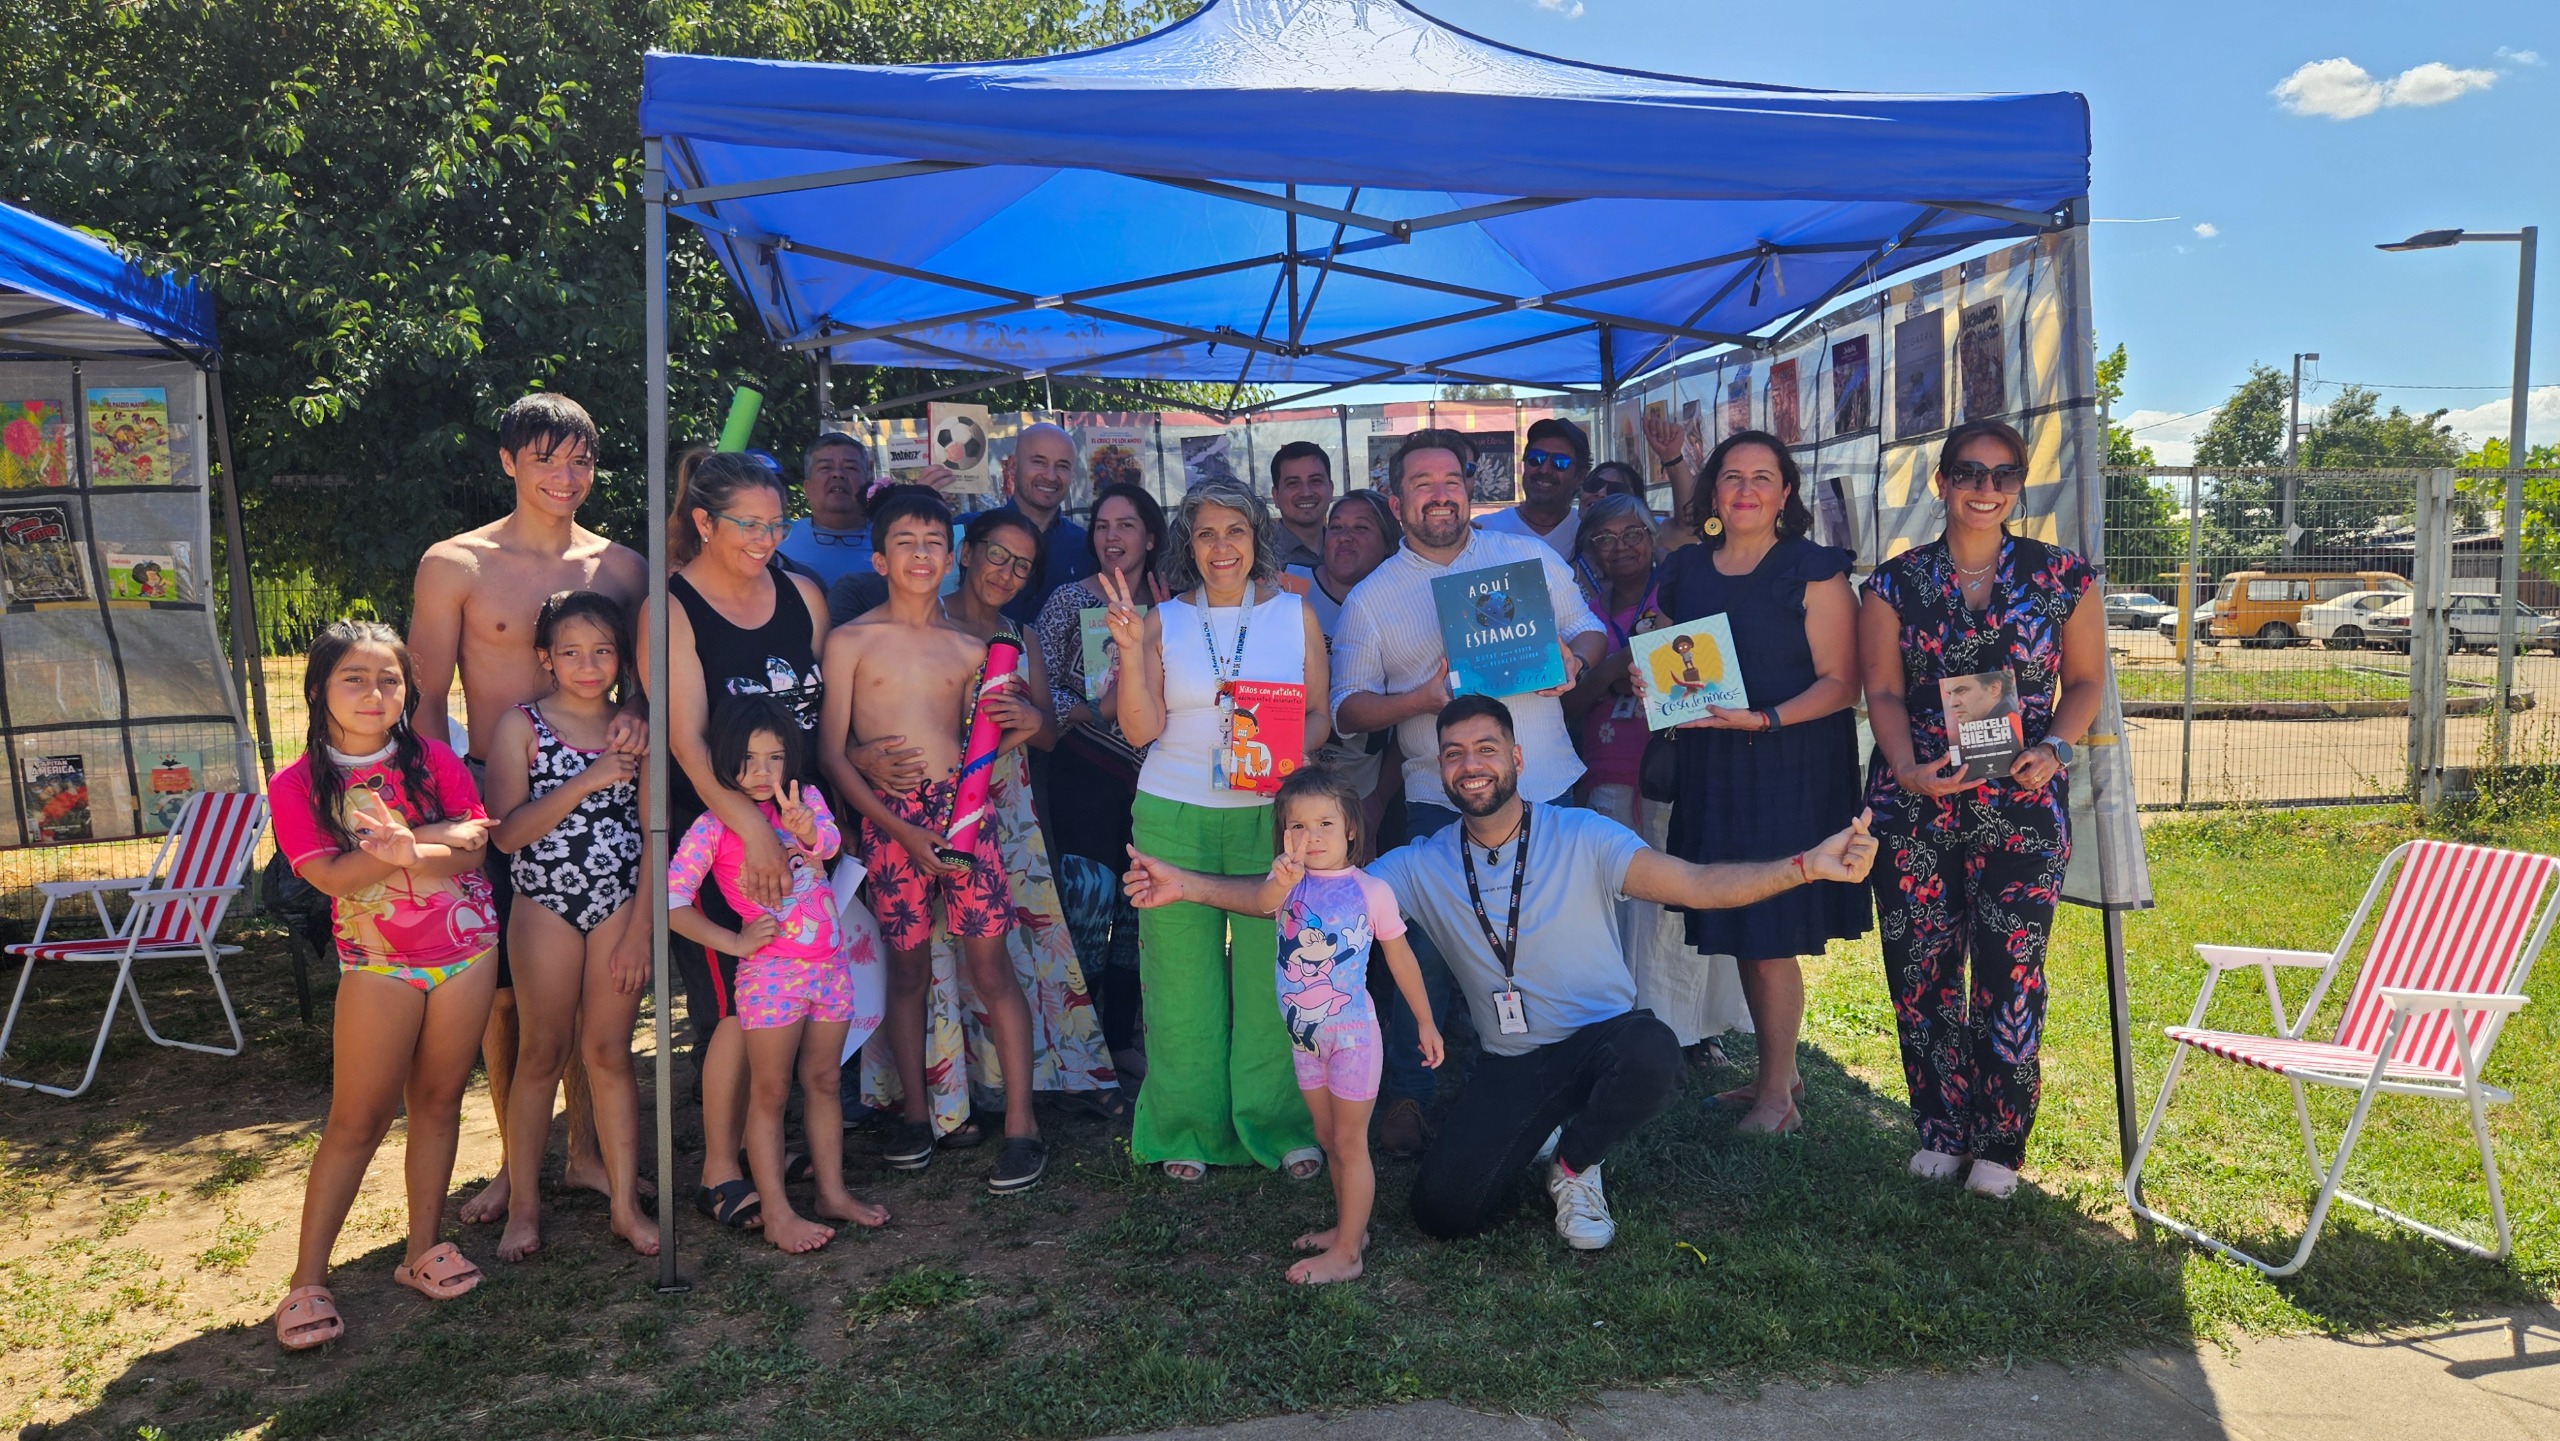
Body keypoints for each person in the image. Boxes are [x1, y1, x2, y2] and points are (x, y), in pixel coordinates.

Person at [1127, 697, 1878, 1249]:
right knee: (1442, 1212)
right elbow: (1309, 894)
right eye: (1452, 753)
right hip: (1514, 1062)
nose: (1469, 763)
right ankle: (1546, 1131)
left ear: (1518, 759)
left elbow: (1697, 883)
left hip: (1602, 1040)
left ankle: (1577, 1161)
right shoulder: (1420, 864)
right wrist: (1185, 884)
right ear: (1439, 770)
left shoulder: (1583, 833)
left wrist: (1806, 866)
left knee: (1651, 1054)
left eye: (1485, 747)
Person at [1332, 428, 1606, 1157]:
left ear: (1470, 489)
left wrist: (1573, 665)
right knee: (1423, 949)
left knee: (1550, 944)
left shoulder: (1526, 558)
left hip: (1542, 780)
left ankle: (1551, 1092)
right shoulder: (1372, 598)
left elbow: (1590, 632)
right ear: (1398, 501)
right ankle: (1411, 1099)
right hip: (1436, 795)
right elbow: (1348, 708)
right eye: (1421, 483)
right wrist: (1418, 697)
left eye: (1451, 479)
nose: (1440, 494)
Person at [410, 392, 647, 1231]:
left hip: (600, 805)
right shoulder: (457, 564)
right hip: (491, 797)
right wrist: (448, 815)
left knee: (590, 998)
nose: (564, 476)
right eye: (546, 458)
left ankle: (584, 1152)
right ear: (508, 461)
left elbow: (647, 686)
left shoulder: (619, 566)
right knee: (509, 1003)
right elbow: (428, 698)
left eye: (579, 459)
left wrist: (638, 722)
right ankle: (518, 1174)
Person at [1859, 418, 2103, 1200]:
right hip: (1919, 796)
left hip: (2022, 803)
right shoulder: (1894, 584)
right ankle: (1939, 1126)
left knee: (2011, 971)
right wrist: (1905, 768)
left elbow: (2089, 684)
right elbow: (1884, 691)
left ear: (2018, 486)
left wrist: (2056, 746)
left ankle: (1999, 1143)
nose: (1984, 488)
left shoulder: (2062, 576)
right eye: (1968, 472)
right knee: (1920, 966)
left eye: (2002, 475)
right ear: (1940, 481)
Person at [843, 508, 1124, 1135]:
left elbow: (1049, 730)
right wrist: (861, 756)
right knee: (924, 962)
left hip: (1006, 814)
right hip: (910, 813)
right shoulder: (915, 617)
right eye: (998, 554)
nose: (1007, 572)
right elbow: (854, 721)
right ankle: (945, 1099)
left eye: (1023, 565)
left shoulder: (1019, 638)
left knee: (1003, 958)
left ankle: (1019, 1094)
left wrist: (1034, 725)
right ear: (965, 554)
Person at [271, 622, 502, 1349]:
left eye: (390, 679)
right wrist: (411, 850)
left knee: (438, 1101)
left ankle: (422, 1248)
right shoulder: (297, 782)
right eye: (354, 678)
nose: (374, 693)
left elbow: (477, 842)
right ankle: (307, 1280)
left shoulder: (433, 757)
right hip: (378, 964)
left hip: (468, 949)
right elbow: (330, 875)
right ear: (318, 690)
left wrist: (412, 844)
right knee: (358, 1119)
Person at [1098, 476, 1330, 1181]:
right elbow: (1140, 728)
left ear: (1257, 536)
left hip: (1268, 814)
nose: (1221, 545)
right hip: (1171, 808)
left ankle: (1279, 1122)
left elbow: (1323, 712)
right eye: (1205, 533)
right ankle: (1187, 1127)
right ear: (1187, 545)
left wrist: (1292, 757)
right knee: (1177, 974)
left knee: (1276, 974)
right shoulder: (1162, 620)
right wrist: (1134, 649)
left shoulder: (1294, 614)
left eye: (1235, 530)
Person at [1641, 431, 1871, 1137]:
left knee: (1768, 929)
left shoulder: (1813, 569)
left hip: (1788, 763)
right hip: (1716, 764)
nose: (1745, 489)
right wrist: (1647, 665)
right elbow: (1669, 648)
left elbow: (1843, 683)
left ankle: (1777, 1098)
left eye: (1762, 477)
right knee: (1741, 918)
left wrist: (1762, 720)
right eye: (1732, 476)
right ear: (1712, 492)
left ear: (1787, 493)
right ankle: (1780, 1072)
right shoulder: (1686, 569)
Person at [1126, 767, 1440, 1283]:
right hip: (1304, 1041)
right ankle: (1349, 1230)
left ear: (1351, 831)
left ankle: (1347, 1255)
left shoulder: (1370, 890)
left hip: (1352, 1040)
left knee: (1349, 1142)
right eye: (1296, 826)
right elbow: (1259, 902)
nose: (1310, 837)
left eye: (1324, 825)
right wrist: (1277, 881)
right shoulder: (1284, 886)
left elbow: (1403, 960)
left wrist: (1425, 1022)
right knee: (1324, 1134)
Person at [824, 488, 1051, 1193]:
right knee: (909, 972)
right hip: (892, 828)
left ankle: (1022, 1124)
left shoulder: (972, 648)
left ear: (951, 557)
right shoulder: (849, 640)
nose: (921, 555)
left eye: (933, 543)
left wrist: (1023, 719)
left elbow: (1008, 728)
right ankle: (916, 1116)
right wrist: (900, 830)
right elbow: (832, 753)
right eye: (906, 542)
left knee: (991, 970)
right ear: (879, 556)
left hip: (963, 823)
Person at [663, 448, 834, 1230]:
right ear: (703, 521)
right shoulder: (671, 607)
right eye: (748, 524)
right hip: (722, 835)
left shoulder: (802, 595)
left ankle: (772, 1142)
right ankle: (720, 1167)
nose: (767, 538)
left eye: (776, 523)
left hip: (801, 827)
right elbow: (690, 743)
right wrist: (750, 833)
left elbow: (820, 719)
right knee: (732, 1001)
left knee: (792, 989)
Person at [667, 698, 888, 1251]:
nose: (762, 773)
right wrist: (735, 943)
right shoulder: (712, 825)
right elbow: (671, 902)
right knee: (768, 1094)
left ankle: (831, 1192)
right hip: (770, 980)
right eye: (747, 759)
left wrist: (808, 831)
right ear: (722, 761)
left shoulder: (805, 799)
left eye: (775, 757)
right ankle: (777, 1213)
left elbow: (832, 846)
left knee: (825, 1082)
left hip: (831, 972)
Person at [479, 592, 655, 1263]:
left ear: (621, 660)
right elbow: (509, 830)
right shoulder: (521, 726)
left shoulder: (632, 729)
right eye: (573, 652)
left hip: (617, 904)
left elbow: (651, 834)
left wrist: (640, 928)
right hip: (543, 904)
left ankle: (624, 1205)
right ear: (546, 658)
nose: (589, 664)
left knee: (609, 1053)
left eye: (603, 651)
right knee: (542, 1053)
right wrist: (589, 779)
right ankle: (524, 1205)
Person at [1559, 494, 1751, 1074]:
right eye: (1604, 538)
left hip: (1675, 772)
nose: (1620, 548)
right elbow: (1572, 701)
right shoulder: (1579, 613)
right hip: (1604, 772)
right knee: (1615, 907)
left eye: (1633, 534)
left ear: (1652, 538)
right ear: (1587, 549)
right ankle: (1624, 1025)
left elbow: (1711, 686)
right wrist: (1617, 668)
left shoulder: (1684, 594)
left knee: (1675, 901)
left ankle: (1687, 1030)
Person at [1031, 481, 1169, 1081]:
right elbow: (1036, 684)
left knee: (1138, 913)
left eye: (1127, 525)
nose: (1113, 537)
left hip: (1153, 779)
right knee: (1086, 906)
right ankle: (1072, 1050)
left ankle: (1120, 1039)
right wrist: (1093, 707)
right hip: (1083, 771)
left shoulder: (1173, 607)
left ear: (1151, 537)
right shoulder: (1068, 601)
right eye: (1103, 526)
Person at [1301, 490, 1403, 831]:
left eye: (1361, 528)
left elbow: (1412, 723)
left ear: (1388, 545)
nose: (1345, 537)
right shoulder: (1288, 586)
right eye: (1336, 527)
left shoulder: (1400, 609)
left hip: (1364, 790)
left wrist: (1378, 800)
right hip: (1288, 780)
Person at [969, 422, 1094, 626]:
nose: (1050, 476)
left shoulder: (1087, 547)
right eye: (1039, 462)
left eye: (1062, 466)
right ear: (1012, 466)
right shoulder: (970, 532)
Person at [1474, 417, 1587, 560]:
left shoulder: (1589, 533)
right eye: (1536, 458)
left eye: (1560, 462)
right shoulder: (1485, 530)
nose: (1544, 469)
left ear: (1580, 477)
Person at [776, 432, 875, 589]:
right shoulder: (778, 538)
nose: (838, 474)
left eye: (850, 467)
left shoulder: (891, 539)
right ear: (807, 487)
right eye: (826, 467)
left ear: (869, 483)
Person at [1268, 440, 1334, 574]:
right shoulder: (1260, 557)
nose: (1306, 493)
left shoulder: (1347, 550)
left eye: (1315, 481)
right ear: (1276, 496)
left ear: (1331, 489)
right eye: (1293, 483)